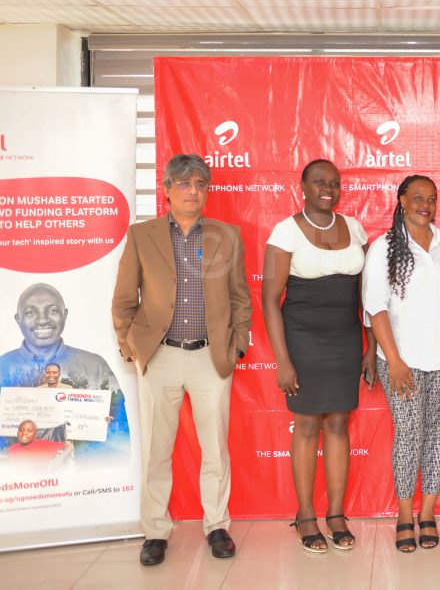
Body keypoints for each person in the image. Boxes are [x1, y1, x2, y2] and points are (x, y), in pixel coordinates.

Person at [112, 153, 252, 567]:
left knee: (215, 447)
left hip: (212, 357)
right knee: (157, 449)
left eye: (201, 184)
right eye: (185, 184)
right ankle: (155, 531)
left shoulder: (227, 236)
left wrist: (237, 345)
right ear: (167, 190)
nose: (194, 191)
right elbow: (124, 300)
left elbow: (240, 298)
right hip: (160, 356)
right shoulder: (142, 235)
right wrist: (130, 348)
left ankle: (217, 524)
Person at [263, 159, 376, 553]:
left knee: (339, 423)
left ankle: (336, 514)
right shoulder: (285, 231)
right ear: (303, 187)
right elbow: (270, 300)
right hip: (302, 338)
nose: (328, 188)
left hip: (346, 338)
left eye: (334, 182)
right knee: (308, 424)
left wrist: (371, 347)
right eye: (319, 182)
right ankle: (306, 515)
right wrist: (282, 360)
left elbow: (366, 296)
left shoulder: (356, 228)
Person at [362, 175, 440, 553]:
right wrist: (393, 361)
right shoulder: (383, 247)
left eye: (432, 198)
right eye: (418, 197)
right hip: (402, 361)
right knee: (408, 435)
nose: (425, 204)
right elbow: (375, 308)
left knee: (437, 433)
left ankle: (428, 512)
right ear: (402, 200)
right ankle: (405, 515)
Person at [1, 283, 126, 449]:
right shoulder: (3, 368)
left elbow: (120, 441)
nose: (43, 319)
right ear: (18, 319)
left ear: (65, 315)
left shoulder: (96, 367)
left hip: (80, 471)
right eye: (30, 312)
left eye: (53, 310)